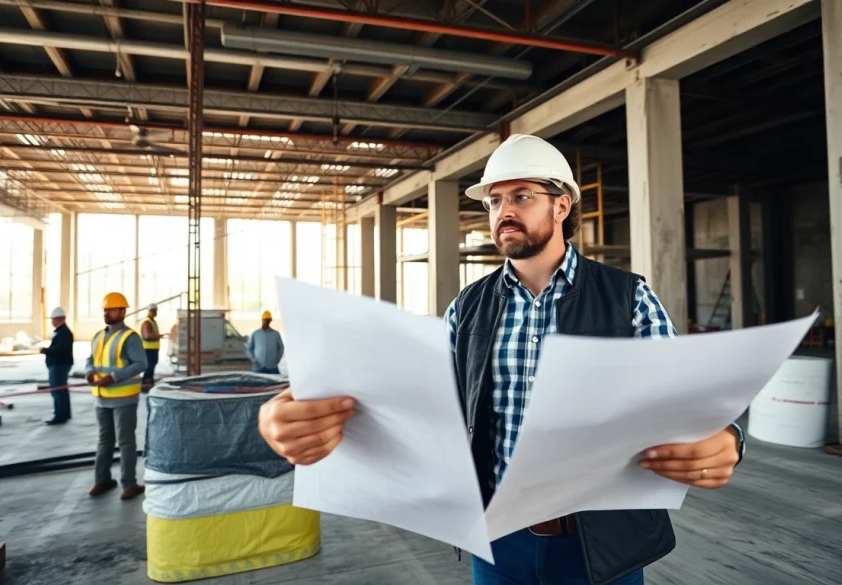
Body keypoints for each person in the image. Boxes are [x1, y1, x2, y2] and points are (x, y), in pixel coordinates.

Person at [254, 134, 747, 585]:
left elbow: (687, 401)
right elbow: (415, 404)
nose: (503, 211)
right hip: (497, 543)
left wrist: (726, 438)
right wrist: (301, 409)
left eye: (521, 196)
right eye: (495, 200)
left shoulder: (628, 298)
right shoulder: (467, 307)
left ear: (561, 205)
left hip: (602, 546)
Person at [85, 292, 148, 501]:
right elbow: (91, 359)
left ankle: (129, 484)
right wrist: (89, 372)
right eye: (105, 310)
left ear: (122, 312)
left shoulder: (130, 337)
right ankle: (102, 480)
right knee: (104, 441)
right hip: (101, 398)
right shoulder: (98, 336)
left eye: (110, 309)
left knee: (125, 442)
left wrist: (112, 377)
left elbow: (141, 364)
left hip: (123, 398)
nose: (106, 313)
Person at [40, 306, 74, 425]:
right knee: (62, 389)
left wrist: (46, 351)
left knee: (57, 390)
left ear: (60, 319)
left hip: (59, 365)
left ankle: (60, 415)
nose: (52, 321)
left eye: (53, 319)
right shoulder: (61, 332)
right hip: (59, 365)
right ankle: (64, 413)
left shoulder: (64, 333)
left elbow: (60, 350)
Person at [246, 310, 284, 374]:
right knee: (256, 380)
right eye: (265, 320)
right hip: (258, 366)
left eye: (268, 320)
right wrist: (253, 359)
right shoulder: (256, 333)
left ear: (270, 321)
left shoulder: (275, 334)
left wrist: (278, 358)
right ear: (262, 320)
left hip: (272, 367)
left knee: (274, 380)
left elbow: (281, 347)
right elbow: (249, 348)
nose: (266, 322)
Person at [140, 303, 162, 391]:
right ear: (149, 311)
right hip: (148, 349)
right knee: (149, 366)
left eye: (155, 311)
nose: (155, 312)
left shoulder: (152, 321)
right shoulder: (147, 322)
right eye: (153, 311)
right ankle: (146, 383)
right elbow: (147, 336)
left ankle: (148, 381)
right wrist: (159, 336)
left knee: (152, 365)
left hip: (152, 348)